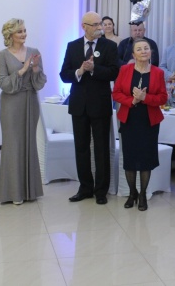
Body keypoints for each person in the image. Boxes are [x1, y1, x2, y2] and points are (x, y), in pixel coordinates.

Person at [60, 11, 120, 205]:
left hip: (100, 104)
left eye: (99, 24)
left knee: (102, 148)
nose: (99, 28)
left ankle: (101, 190)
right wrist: (80, 71)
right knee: (81, 148)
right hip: (79, 105)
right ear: (84, 26)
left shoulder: (109, 46)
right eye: (94, 25)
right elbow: (64, 74)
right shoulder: (73, 46)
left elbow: (114, 72)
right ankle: (85, 187)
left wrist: (94, 69)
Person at [0, 19, 47, 204]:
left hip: (30, 100)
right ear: (10, 35)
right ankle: (13, 193)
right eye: (19, 31)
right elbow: (2, 82)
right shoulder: (2, 55)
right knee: (13, 144)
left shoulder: (34, 51)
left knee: (29, 143)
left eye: (24, 30)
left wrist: (35, 68)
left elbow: (40, 82)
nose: (24, 34)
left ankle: (30, 192)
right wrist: (22, 70)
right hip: (11, 104)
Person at [112, 39, 168, 211]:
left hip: (148, 122)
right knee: (129, 159)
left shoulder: (158, 72)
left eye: (146, 48)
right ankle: (132, 193)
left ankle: (143, 194)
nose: (143, 51)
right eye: (139, 49)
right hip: (129, 120)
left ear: (150, 52)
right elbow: (116, 93)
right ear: (133, 54)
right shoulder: (125, 70)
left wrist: (145, 98)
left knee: (145, 159)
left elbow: (163, 98)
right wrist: (132, 100)